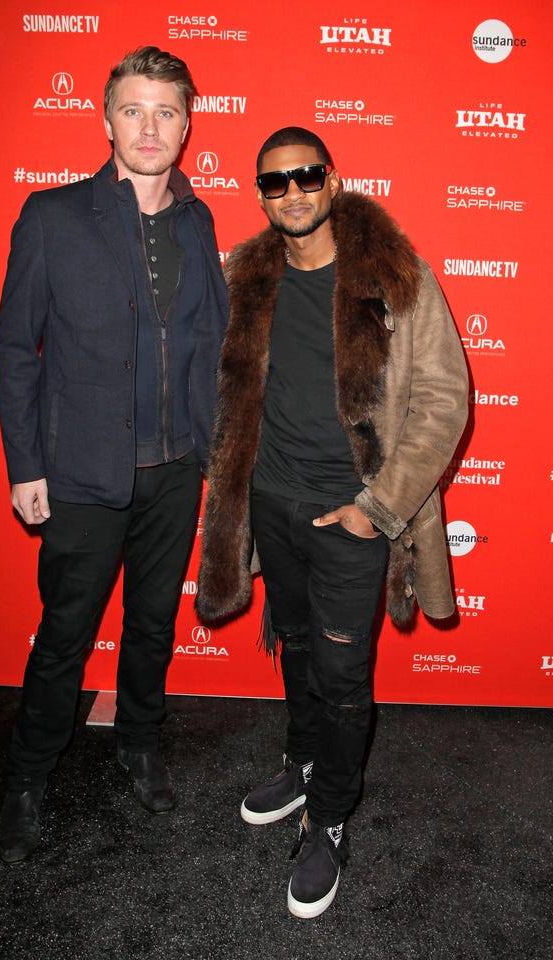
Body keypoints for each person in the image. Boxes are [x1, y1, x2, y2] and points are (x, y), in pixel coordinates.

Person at [197, 127, 469, 919]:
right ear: (260, 195)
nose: (293, 193)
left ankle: (332, 817)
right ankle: (304, 761)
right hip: (272, 506)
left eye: (306, 175)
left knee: (345, 679)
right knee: (297, 646)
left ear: (333, 179)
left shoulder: (394, 276)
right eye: (275, 182)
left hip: (354, 517)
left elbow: (445, 400)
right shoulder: (245, 279)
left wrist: (375, 509)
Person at [0, 46, 228, 864]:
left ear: (187, 126)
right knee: (65, 632)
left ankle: (139, 742)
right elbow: (17, 350)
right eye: (133, 110)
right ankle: (27, 777)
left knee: (154, 625)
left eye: (166, 112)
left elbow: (213, 343)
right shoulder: (52, 216)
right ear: (106, 122)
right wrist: (26, 465)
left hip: (177, 469)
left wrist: (222, 456)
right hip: (82, 474)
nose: (149, 127)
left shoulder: (199, 221)